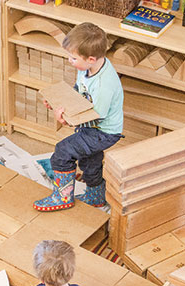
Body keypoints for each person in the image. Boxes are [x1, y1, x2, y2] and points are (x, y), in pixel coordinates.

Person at [34, 22, 124, 211]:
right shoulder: (87, 68)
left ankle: (63, 197)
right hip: (93, 126)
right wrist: (58, 101)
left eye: (73, 58)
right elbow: (79, 93)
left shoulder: (103, 85)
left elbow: (95, 116)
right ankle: (96, 196)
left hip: (103, 131)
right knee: (89, 160)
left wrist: (65, 119)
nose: (69, 60)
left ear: (91, 59)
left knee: (62, 152)